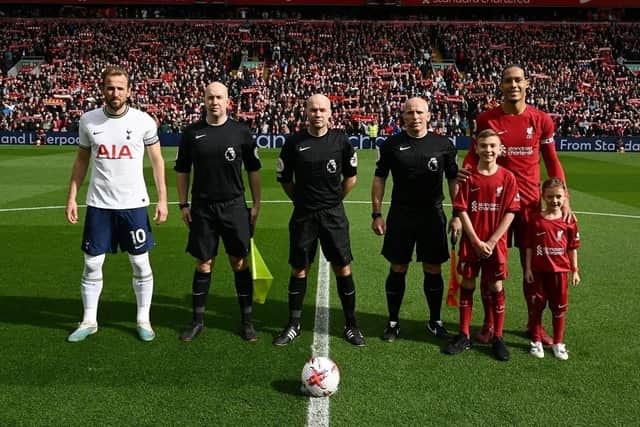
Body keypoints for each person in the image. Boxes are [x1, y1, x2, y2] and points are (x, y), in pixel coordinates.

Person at [458, 64, 571, 346]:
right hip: (494, 206)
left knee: (534, 269)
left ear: (527, 83)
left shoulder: (541, 119)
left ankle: (535, 327)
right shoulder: (487, 119)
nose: (513, 85)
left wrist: (564, 196)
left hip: (531, 205)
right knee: (488, 264)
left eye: (518, 80)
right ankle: (488, 324)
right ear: (501, 85)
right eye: (508, 81)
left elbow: (552, 160)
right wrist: (464, 171)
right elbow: (474, 155)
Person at [65, 66, 168, 342]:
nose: (115, 93)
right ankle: (89, 320)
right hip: (99, 205)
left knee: (141, 264)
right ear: (103, 89)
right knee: (92, 264)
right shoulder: (89, 121)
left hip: (133, 205)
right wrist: (72, 196)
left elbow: (157, 161)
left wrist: (163, 199)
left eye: (120, 88)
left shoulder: (144, 121)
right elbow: (81, 161)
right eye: (110, 87)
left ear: (129, 91)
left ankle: (143, 320)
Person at [274, 93, 365, 347]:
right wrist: (302, 202)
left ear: (330, 112)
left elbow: (351, 178)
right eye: (313, 110)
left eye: (322, 110)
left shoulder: (341, 141)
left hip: (333, 215)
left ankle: (351, 325)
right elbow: (285, 180)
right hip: (304, 215)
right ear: (306, 112)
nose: (318, 114)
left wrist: (334, 201)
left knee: (342, 267)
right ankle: (293, 324)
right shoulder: (293, 143)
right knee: (300, 268)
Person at [174, 82, 262, 343]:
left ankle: (247, 322)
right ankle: (197, 321)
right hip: (202, 207)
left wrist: (256, 204)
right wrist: (182, 204)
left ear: (228, 101)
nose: (215, 101)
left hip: (234, 205)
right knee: (203, 263)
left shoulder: (241, 132)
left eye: (219, 97)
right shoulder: (192, 133)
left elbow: (253, 169)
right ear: (204, 100)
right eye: (210, 97)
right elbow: (182, 171)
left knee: (239, 262)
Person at [371, 97, 459, 343]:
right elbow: (380, 178)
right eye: (409, 112)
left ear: (429, 115)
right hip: (401, 214)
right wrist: (376, 213)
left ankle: (435, 321)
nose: (415, 116)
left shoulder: (443, 144)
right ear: (403, 116)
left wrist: (458, 214)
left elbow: (453, 180)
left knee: (433, 267)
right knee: (398, 267)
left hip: (432, 214)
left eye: (419, 112)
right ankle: (393, 321)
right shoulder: (391, 144)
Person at [443, 129, 520, 361]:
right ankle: (464, 334)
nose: (488, 150)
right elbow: (462, 209)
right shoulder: (468, 177)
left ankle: (498, 337)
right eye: (483, 146)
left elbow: (510, 212)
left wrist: (492, 240)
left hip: (495, 243)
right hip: (472, 241)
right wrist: (476, 240)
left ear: (500, 149)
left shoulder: (508, 177)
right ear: (476, 148)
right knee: (468, 283)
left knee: (495, 286)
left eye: (492, 146)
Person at [525, 178, 580, 360]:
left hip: (560, 273)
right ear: (543, 197)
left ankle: (558, 342)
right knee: (537, 307)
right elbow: (529, 247)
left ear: (565, 197)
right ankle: (536, 341)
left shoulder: (569, 221)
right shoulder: (536, 220)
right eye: (550, 197)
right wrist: (528, 269)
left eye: (558, 197)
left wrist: (575, 270)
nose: (555, 201)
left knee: (559, 309)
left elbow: (572, 248)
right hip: (539, 272)